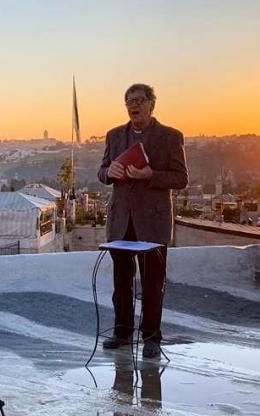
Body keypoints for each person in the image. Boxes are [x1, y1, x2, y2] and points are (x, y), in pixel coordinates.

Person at [97, 83, 188, 357]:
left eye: (138, 100)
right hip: (121, 222)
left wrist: (150, 174)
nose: (133, 106)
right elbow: (102, 172)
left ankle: (151, 338)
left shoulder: (170, 137)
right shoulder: (114, 136)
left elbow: (181, 179)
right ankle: (122, 333)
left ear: (151, 104)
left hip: (153, 224)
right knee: (121, 282)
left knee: (152, 284)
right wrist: (109, 172)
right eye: (129, 101)